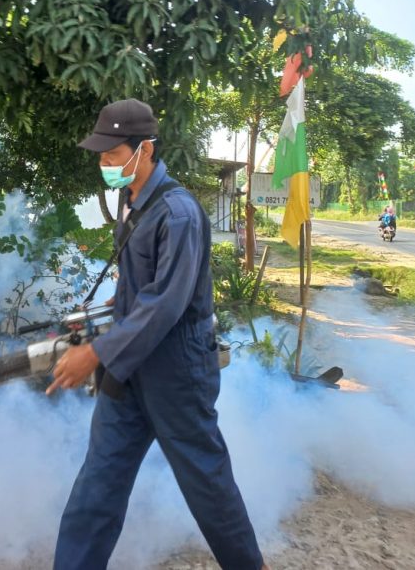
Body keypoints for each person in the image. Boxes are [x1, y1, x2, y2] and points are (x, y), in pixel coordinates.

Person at [47, 99, 269, 570]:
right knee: (98, 484)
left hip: (177, 371)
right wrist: (113, 305)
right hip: (129, 368)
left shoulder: (179, 213)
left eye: (112, 155)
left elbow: (167, 302)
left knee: (207, 484)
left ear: (143, 149)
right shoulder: (132, 202)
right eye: (101, 156)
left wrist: (96, 353)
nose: (104, 164)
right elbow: (143, 288)